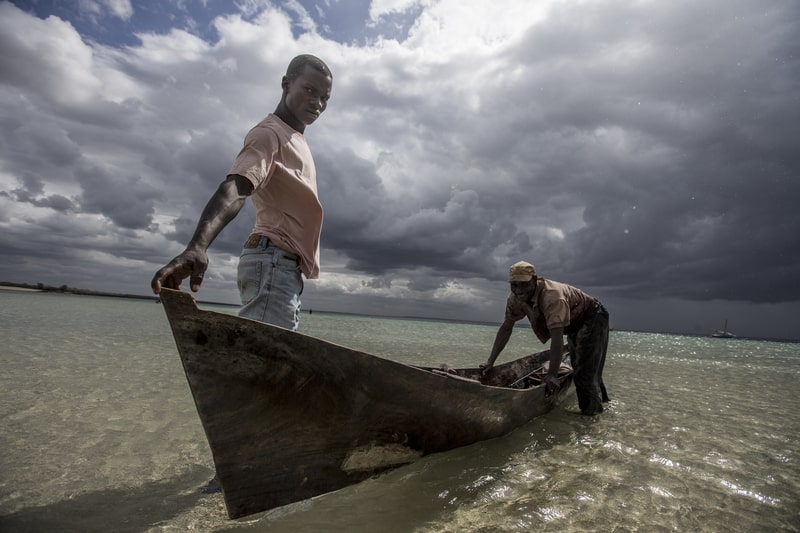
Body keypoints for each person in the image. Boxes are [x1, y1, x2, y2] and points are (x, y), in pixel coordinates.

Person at [151, 54, 333, 331]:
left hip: (284, 267)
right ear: (286, 84)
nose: (317, 103)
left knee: (273, 358)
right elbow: (236, 187)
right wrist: (198, 246)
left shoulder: (294, 138)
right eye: (309, 90)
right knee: (266, 359)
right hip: (273, 261)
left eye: (324, 98)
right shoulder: (269, 135)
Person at [480, 261, 610, 415]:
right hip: (573, 323)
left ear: (535, 280)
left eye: (523, 284)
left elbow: (557, 338)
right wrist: (490, 361)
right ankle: (604, 403)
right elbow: (506, 328)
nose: (518, 290)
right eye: (514, 285)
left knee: (584, 373)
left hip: (592, 317)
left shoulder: (552, 296)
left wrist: (552, 375)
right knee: (585, 366)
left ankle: (591, 419)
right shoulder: (515, 298)